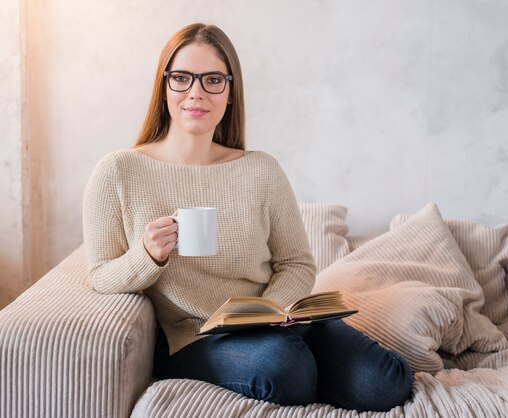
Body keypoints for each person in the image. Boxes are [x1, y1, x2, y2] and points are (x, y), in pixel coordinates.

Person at [82, 23, 412, 412]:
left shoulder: (260, 170)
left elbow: (296, 263)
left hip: (279, 320)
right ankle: (302, 367)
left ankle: (304, 362)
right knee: (284, 369)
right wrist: (147, 256)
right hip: (197, 338)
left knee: (386, 381)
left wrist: (272, 313)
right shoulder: (119, 171)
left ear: (230, 93)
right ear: (164, 85)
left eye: (213, 80)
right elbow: (100, 274)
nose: (197, 92)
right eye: (183, 78)